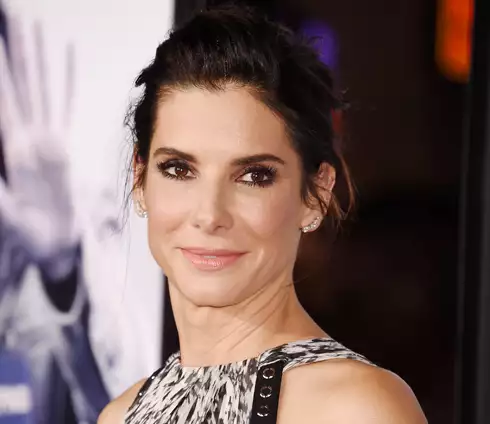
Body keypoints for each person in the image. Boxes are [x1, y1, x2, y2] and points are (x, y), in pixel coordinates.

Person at [99, 4, 427, 424]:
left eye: (254, 176)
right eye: (179, 169)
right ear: (140, 179)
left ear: (316, 194)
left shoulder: (358, 409)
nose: (209, 214)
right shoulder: (120, 415)